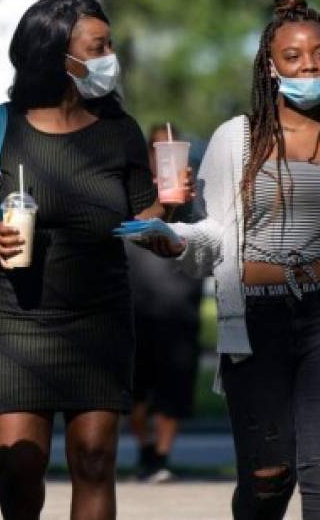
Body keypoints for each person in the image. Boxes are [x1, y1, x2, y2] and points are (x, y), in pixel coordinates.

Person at [144, 0, 320, 519]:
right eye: (293, 57)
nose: (309, 67)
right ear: (271, 67)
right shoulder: (236, 140)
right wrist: (175, 241)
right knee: (268, 480)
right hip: (257, 321)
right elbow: (217, 239)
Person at [0, 0, 174, 519]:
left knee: (95, 461)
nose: (110, 57)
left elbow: (146, 215)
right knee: (17, 467)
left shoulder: (120, 130)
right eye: (98, 47)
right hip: (18, 319)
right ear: (56, 55)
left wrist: (166, 216)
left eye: (110, 45)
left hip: (100, 319)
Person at [127, 124, 203, 483]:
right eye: (160, 149)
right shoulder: (131, 189)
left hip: (179, 308)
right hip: (133, 307)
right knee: (134, 392)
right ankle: (145, 448)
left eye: (174, 148)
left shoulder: (195, 194)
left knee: (174, 391)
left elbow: (210, 238)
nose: (167, 155)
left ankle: (161, 456)